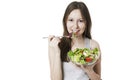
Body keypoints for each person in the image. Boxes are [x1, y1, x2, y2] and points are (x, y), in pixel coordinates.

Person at [48, 1, 101, 80]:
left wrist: (89, 70)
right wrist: (57, 52)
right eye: (71, 20)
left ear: (86, 23)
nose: (75, 26)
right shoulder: (55, 45)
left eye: (80, 21)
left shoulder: (93, 46)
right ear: (65, 22)